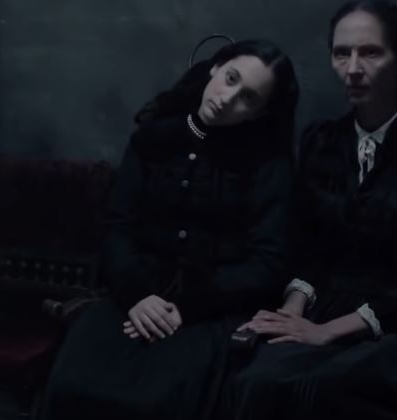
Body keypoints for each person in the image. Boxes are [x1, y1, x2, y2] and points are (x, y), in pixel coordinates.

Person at [223, 2, 397, 419]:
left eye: (370, 53)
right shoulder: (321, 142)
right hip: (327, 308)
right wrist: (293, 309)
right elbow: (310, 247)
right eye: (342, 53)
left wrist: (326, 332)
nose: (353, 68)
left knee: (315, 388)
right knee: (252, 378)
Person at [37, 39, 299, 420]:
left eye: (248, 98)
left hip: (209, 311)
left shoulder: (268, 165)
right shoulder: (153, 138)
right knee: (72, 386)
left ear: (259, 113)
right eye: (230, 79)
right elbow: (117, 226)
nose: (227, 98)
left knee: (162, 401)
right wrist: (138, 296)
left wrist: (187, 306)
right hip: (132, 296)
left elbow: (268, 263)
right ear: (215, 67)